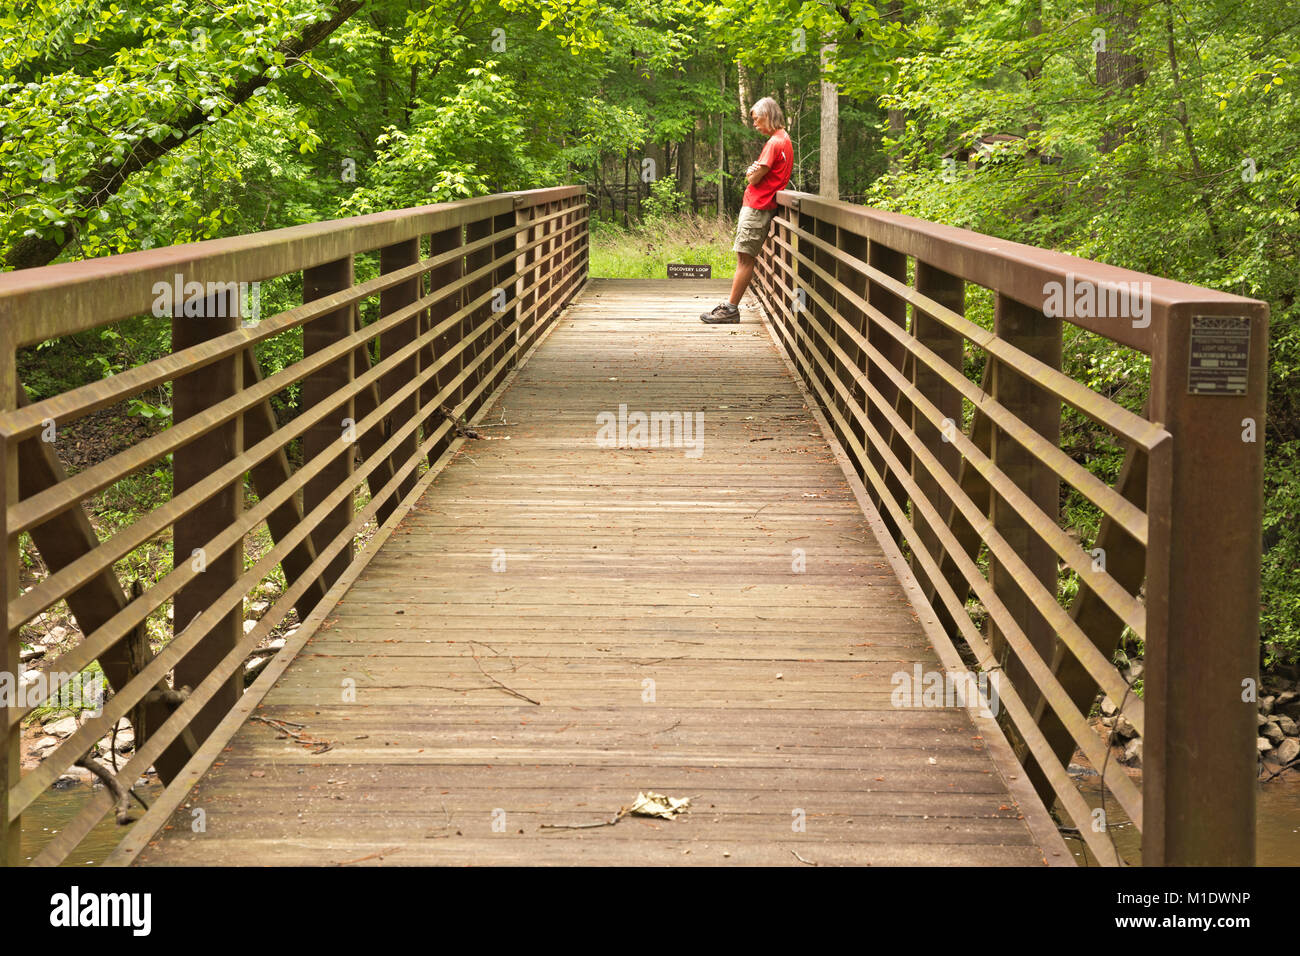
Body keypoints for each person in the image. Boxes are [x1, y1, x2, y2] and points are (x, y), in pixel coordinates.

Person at [700, 96, 793, 324]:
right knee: (745, 257)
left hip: (758, 206)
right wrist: (753, 171)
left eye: (756, 119)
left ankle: (730, 309)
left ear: (768, 115)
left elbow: (753, 178)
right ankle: (730, 307)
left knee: (744, 259)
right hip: (762, 205)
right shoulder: (784, 139)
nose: (754, 124)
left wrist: (751, 172)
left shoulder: (774, 143)